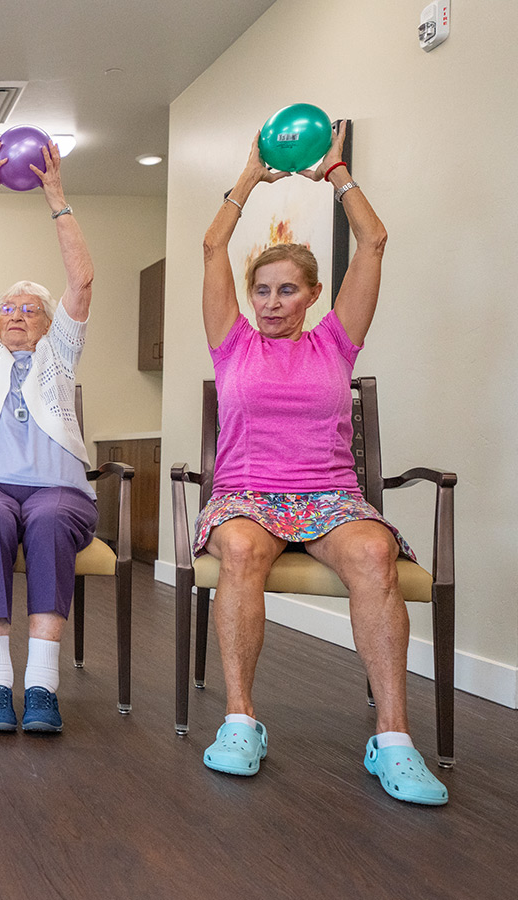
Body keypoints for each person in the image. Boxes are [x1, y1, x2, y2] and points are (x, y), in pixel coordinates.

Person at [195, 122, 446, 805]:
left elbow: (374, 241)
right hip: (246, 494)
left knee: (372, 553)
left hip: (329, 495)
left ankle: (392, 739)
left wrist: (338, 173)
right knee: (242, 549)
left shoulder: (337, 342)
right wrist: (250, 175)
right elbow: (214, 244)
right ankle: (242, 720)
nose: (273, 304)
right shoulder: (232, 343)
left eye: (287, 291)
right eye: (264, 292)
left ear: (312, 296)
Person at [0, 138, 97, 734]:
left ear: (49, 320)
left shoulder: (61, 354)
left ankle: (42, 688)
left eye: (27, 307)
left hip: (58, 490)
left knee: (51, 520)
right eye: (6, 307)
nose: (11, 313)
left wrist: (55, 196)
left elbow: (81, 283)